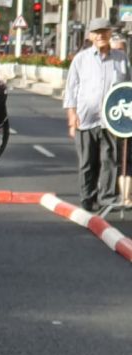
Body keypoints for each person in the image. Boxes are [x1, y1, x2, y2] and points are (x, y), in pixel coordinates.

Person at [64, 18, 131, 211]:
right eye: (97, 32)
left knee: (109, 159)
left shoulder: (121, 58)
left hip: (111, 119)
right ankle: (87, 197)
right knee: (87, 162)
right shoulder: (81, 59)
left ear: (110, 33)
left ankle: (107, 197)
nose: (101, 35)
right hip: (85, 118)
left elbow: (128, 88)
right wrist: (71, 117)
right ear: (90, 36)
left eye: (104, 31)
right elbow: (71, 89)